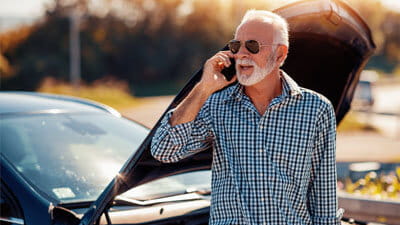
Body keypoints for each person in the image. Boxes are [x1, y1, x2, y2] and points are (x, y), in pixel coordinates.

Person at [151, 10, 340, 225]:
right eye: (235, 46)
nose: (241, 54)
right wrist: (203, 89)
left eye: (252, 46)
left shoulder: (316, 109)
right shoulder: (216, 105)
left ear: (280, 54)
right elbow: (164, 151)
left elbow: (323, 196)